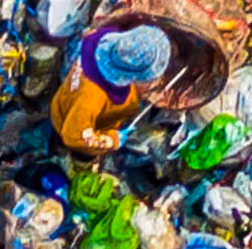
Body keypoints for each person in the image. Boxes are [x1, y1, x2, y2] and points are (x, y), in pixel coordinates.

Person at [50, 23, 173, 157]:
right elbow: (75, 136)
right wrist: (112, 140)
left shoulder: (97, 41)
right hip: (73, 123)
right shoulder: (92, 98)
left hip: (70, 97)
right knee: (74, 147)